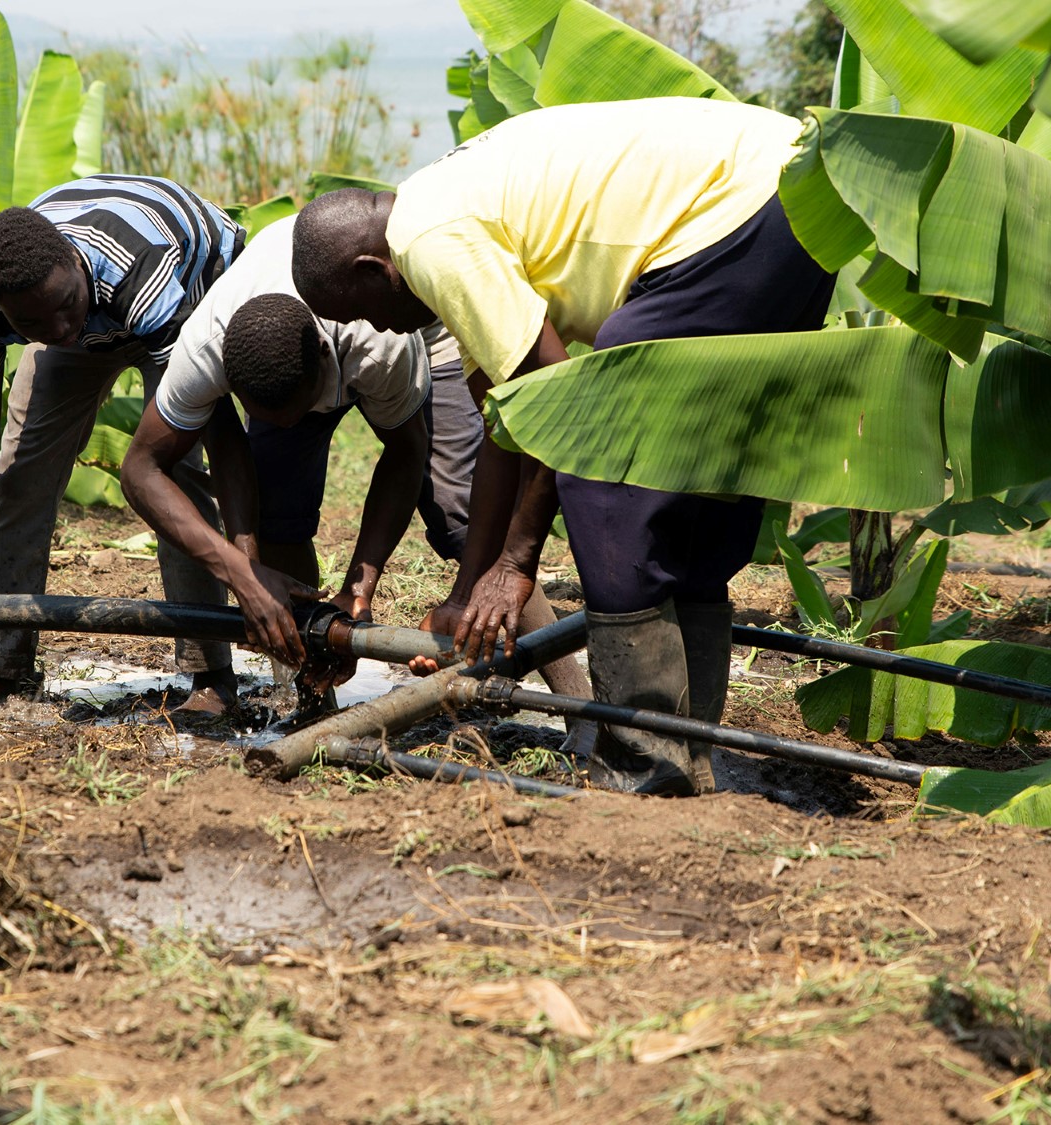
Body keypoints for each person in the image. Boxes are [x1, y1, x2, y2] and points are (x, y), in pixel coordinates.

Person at [291, 97, 836, 796]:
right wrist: (467, 589)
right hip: (792, 190)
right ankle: (692, 759)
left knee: (603, 477)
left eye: (364, 311)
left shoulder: (432, 243)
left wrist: (518, 563)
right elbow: (507, 423)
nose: (386, 330)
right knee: (688, 482)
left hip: (742, 205)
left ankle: (644, 767)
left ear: (372, 268)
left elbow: (566, 406)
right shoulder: (440, 206)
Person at [120, 214, 596, 727]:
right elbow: (140, 470)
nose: (294, 425)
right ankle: (313, 701)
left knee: (462, 514)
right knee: (277, 512)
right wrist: (244, 571)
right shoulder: (206, 347)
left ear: (325, 365)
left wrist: (359, 588)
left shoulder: (378, 343)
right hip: (285, 335)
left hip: (419, 328)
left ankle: (581, 709)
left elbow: (406, 453)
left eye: (300, 412)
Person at [0, 175, 245, 713]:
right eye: (31, 322)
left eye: (63, 306)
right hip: (103, 307)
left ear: (77, 265)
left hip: (193, 289)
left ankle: (210, 675)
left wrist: (245, 565)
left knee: (175, 473)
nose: (58, 330)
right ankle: (6, 671)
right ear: (3, 308)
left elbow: (206, 431)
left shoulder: (139, 272)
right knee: (18, 477)